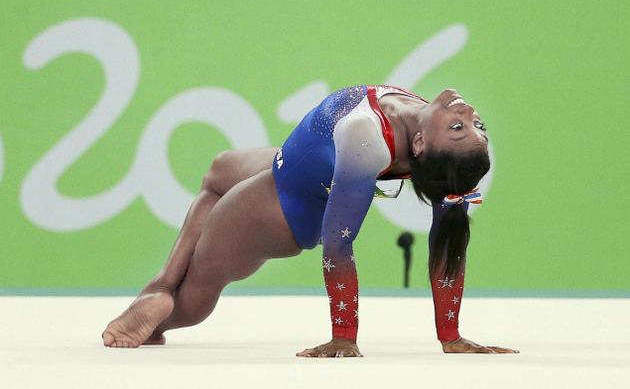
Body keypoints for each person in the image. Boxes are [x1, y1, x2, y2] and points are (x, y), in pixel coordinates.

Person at [102, 85, 518, 356]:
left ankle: (168, 311)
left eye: (460, 127)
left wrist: (345, 337)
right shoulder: (438, 145)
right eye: (474, 127)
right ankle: (156, 288)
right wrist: (449, 337)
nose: (468, 113)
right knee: (217, 172)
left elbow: (339, 243)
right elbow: (450, 228)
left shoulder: (366, 136)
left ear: (424, 144)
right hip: (287, 164)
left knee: (201, 280)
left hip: (284, 205)